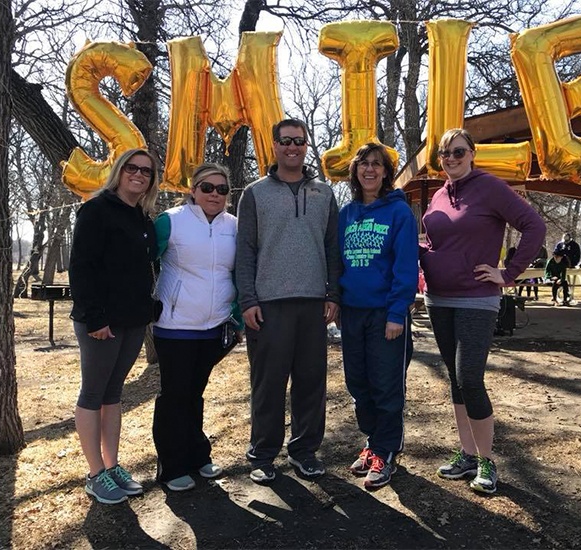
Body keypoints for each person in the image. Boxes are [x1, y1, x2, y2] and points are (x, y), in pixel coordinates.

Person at [420, 128, 545, 494]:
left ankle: (488, 461)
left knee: (470, 377)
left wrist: (508, 273)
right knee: (455, 380)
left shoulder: (489, 187)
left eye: (458, 152)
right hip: (438, 299)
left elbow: (534, 226)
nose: (451, 159)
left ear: (472, 153)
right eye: (445, 153)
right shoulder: (440, 194)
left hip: (477, 298)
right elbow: (438, 241)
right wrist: (422, 257)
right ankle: (467, 454)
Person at [236, 119, 341, 484]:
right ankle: (263, 454)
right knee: (268, 383)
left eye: (299, 141)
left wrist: (333, 294)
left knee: (311, 382)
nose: (293, 147)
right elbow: (245, 250)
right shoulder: (254, 193)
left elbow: (332, 249)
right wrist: (247, 299)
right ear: (275, 145)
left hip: (313, 303)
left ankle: (304, 451)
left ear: (306, 145)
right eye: (286, 141)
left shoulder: (324, 194)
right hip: (269, 304)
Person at [69, 148, 159, 504]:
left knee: (113, 394)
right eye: (132, 168)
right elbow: (81, 267)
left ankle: (112, 466)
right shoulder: (95, 210)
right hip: (100, 322)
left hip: (134, 320)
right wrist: (95, 317)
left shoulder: (143, 218)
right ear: (119, 172)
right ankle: (94, 474)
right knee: (93, 394)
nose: (138, 175)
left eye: (146, 172)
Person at [152, 163, 242, 492]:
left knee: (195, 395)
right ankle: (171, 465)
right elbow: (143, 261)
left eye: (222, 189)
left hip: (215, 326)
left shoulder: (233, 226)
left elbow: (238, 273)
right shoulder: (170, 222)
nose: (214, 194)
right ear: (193, 190)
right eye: (207, 187)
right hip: (175, 326)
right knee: (175, 396)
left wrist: (236, 312)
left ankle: (197, 455)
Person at [338, 143, 418, 489]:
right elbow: (336, 262)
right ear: (355, 172)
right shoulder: (346, 214)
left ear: (386, 172)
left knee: (386, 386)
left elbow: (405, 266)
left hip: (386, 314)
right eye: (363, 164)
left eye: (377, 165)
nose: (370, 170)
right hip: (352, 314)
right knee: (359, 383)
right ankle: (373, 442)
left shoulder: (399, 213)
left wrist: (397, 313)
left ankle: (386, 452)